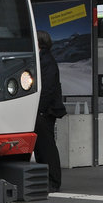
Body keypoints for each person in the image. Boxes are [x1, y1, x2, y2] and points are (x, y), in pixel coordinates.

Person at [34, 31, 65, 192]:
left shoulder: (45, 61)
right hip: (44, 111)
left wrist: (38, 110)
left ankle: (53, 181)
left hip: (45, 112)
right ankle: (47, 180)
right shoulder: (45, 59)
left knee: (47, 148)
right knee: (42, 147)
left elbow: (47, 89)